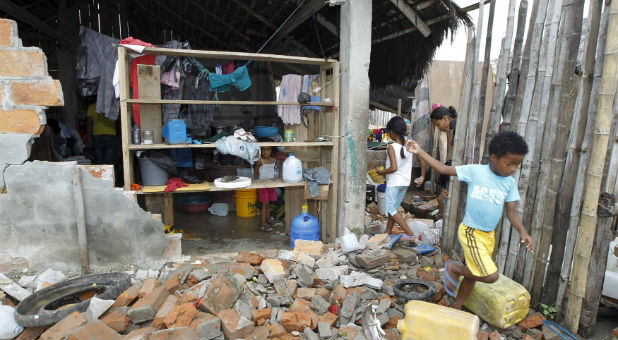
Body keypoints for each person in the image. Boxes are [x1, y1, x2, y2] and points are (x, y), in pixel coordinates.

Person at [406, 131, 535, 310]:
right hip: (470, 232)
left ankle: (457, 305)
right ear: (493, 157)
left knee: (474, 272)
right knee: (491, 276)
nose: (513, 168)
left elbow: (512, 212)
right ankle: (455, 269)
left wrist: (523, 231)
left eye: (517, 165)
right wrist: (419, 151)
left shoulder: (509, 183)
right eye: (509, 163)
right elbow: (443, 169)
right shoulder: (476, 171)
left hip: (488, 237)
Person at [375, 116, 415, 236]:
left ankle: (410, 234)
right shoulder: (409, 145)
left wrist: (381, 172)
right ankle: (388, 231)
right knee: (394, 209)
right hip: (405, 182)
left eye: (389, 132)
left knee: (390, 210)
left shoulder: (391, 147)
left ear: (393, 132)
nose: (389, 135)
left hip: (394, 182)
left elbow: (393, 168)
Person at [417, 104, 457, 218]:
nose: (438, 128)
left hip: (457, 172)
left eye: (438, 124)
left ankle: (444, 222)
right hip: (453, 170)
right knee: (441, 199)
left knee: (442, 199)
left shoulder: (455, 128)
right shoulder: (452, 129)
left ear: (445, 118)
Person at [254, 144, 277, 232]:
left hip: (270, 184)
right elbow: (256, 173)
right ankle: (263, 224)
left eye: (268, 149)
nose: (265, 152)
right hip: (262, 185)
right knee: (264, 204)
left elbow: (274, 171)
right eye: (263, 150)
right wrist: (256, 184)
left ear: (271, 150)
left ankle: (268, 219)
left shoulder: (273, 160)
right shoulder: (260, 161)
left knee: (268, 204)